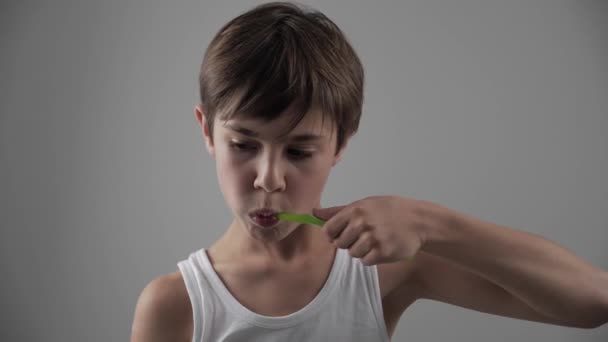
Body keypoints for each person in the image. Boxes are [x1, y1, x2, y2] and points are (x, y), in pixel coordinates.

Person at [130, 2, 608, 341]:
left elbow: (594, 302)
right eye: (243, 145)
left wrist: (428, 223)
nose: (269, 178)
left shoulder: (378, 272)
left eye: (299, 151)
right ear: (207, 131)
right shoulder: (176, 305)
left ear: (341, 142)